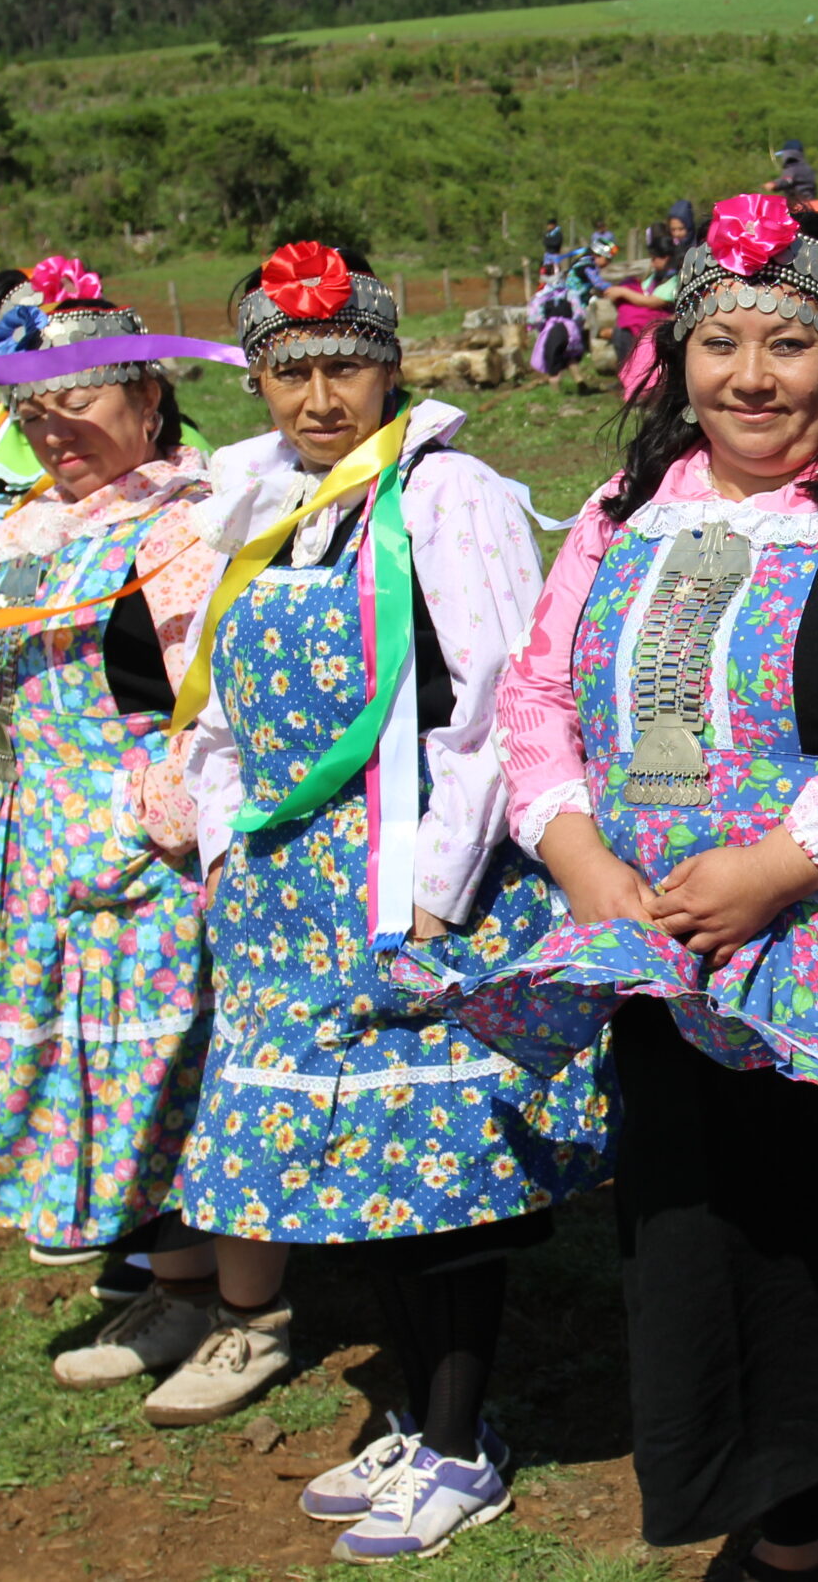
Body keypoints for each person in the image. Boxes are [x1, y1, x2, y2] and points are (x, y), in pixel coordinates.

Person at [437, 194, 818, 1582]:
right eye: (720, 341)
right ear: (676, 356)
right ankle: (786, 1517)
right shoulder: (630, 507)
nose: (752, 377)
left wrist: (782, 861)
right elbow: (538, 689)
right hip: (661, 956)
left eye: (791, 344)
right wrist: (578, 856)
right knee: (712, 1244)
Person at [144, 242, 610, 1557]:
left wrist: (425, 891)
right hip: (293, 889)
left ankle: (462, 1440)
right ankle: (417, 1413)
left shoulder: (444, 493)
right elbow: (220, 692)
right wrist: (231, 840)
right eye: (288, 369)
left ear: (390, 361)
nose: (318, 395)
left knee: (436, 1174)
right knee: (359, 1175)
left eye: (344, 362)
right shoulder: (257, 494)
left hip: (421, 883)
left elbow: (500, 702)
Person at [0, 292, 227, 1280]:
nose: (52, 432)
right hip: (33, 866)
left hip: (133, 880)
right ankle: (169, 1287)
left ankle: (230, 1309)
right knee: (108, 1092)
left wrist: (141, 824)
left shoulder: (180, 531)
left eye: (75, 403)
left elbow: (213, 705)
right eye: (31, 413)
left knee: (160, 1080)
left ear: (146, 401)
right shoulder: (31, 530)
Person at [601, 224, 679, 402]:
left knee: (639, 341)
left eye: (655, 259)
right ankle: (629, 380)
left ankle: (642, 386)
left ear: (665, 257)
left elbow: (653, 301)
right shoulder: (656, 277)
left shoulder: (674, 280)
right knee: (622, 333)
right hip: (643, 320)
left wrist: (623, 292)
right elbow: (644, 292)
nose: (652, 263)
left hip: (659, 320)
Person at [764, 140, 818, 209]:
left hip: (799, 207)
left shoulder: (792, 169)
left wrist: (774, 184)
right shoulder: (808, 168)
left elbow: (787, 180)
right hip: (812, 204)